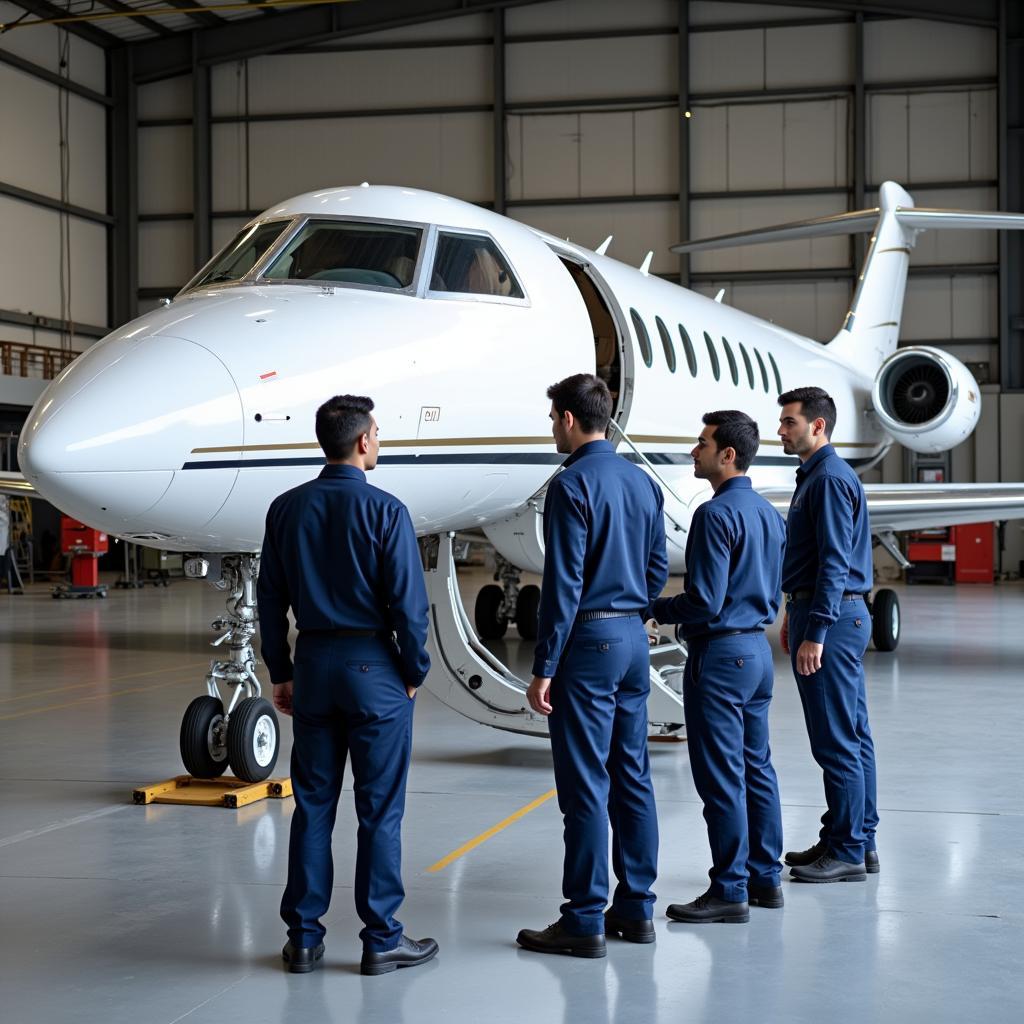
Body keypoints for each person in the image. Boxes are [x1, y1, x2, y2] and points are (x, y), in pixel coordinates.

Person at [257, 394, 438, 975]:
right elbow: (410, 608)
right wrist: (413, 672)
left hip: (313, 665)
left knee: (312, 806)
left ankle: (304, 939)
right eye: (378, 434)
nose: (378, 442)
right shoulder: (388, 511)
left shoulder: (285, 508)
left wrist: (281, 671)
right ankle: (381, 937)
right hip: (373, 669)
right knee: (379, 811)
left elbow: (271, 600)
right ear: (363, 442)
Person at [517, 373, 668, 958]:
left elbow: (564, 584)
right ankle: (637, 908)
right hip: (632, 638)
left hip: (588, 645)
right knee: (632, 776)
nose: (552, 427)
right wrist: (636, 614)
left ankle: (583, 919)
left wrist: (545, 665)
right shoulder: (642, 481)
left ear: (570, 420)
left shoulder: (570, 485)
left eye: (553, 417)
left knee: (584, 786)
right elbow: (657, 568)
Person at [648, 411, 786, 923]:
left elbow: (704, 601)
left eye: (702, 444)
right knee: (757, 768)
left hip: (721, 657)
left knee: (721, 777)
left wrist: (656, 609)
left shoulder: (714, 514)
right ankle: (765, 877)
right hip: (757, 654)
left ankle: (729, 888)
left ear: (728, 455)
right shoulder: (771, 515)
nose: (693, 451)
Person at [777, 386, 879, 883]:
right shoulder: (818, 476)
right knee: (853, 735)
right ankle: (857, 835)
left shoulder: (828, 480)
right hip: (831, 616)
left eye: (790, 421)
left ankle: (848, 852)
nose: (781, 429)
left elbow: (834, 563)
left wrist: (813, 629)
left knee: (836, 740)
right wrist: (792, 617)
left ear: (818, 425)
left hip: (833, 621)